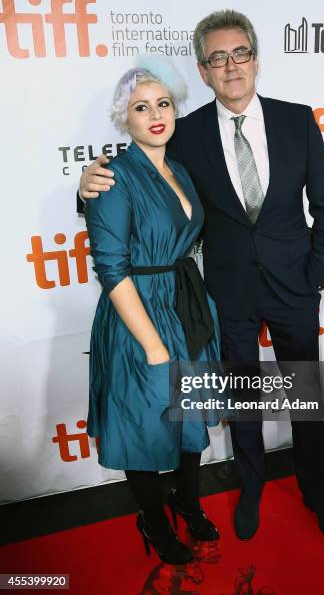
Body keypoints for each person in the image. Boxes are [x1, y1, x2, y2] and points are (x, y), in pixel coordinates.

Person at [80, 10, 324, 547]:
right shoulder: (186, 132)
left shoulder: (297, 120)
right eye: (217, 58)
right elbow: (140, 180)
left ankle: (315, 488)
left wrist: (315, 276)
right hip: (227, 294)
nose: (231, 66)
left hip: (295, 286)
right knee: (245, 401)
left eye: (239, 53)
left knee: (304, 394)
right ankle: (250, 489)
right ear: (203, 71)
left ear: (255, 59)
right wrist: (85, 187)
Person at [84, 57, 221, 565]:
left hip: (184, 307)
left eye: (163, 103)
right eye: (141, 107)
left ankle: (186, 501)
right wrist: (153, 344)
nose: (155, 114)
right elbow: (112, 270)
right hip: (138, 316)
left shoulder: (179, 169)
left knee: (189, 423)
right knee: (144, 426)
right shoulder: (113, 177)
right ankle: (152, 518)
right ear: (126, 118)